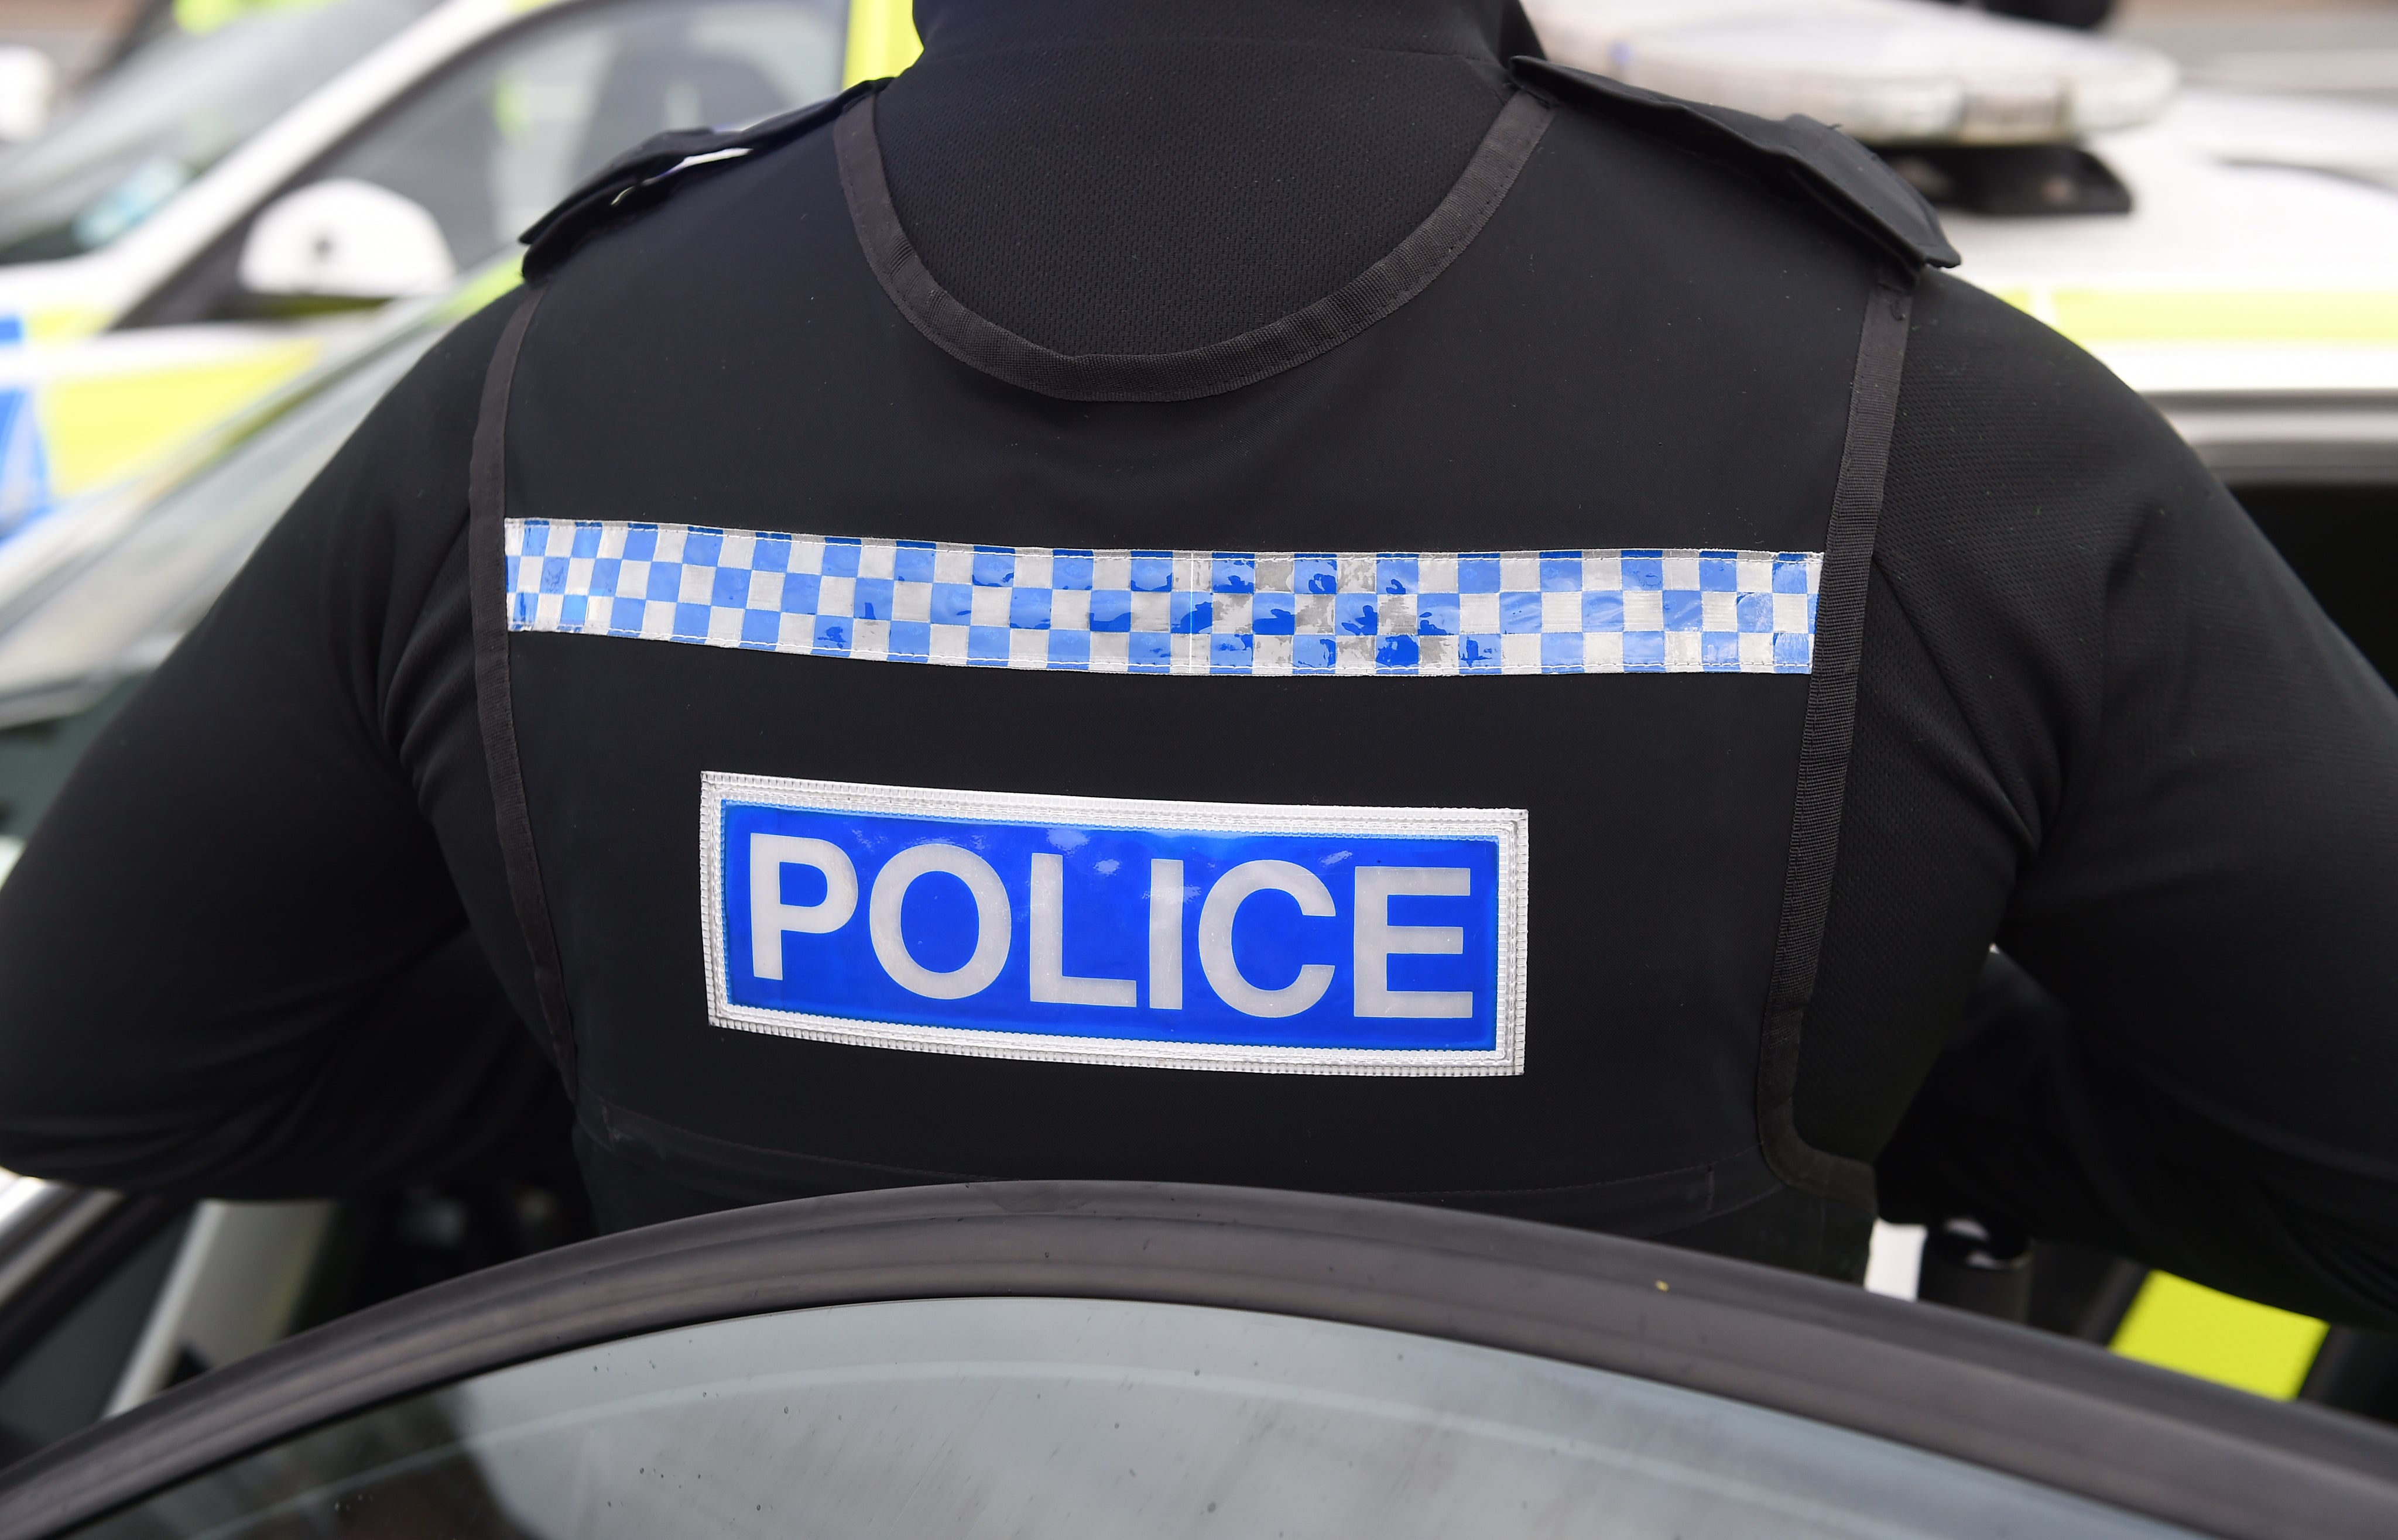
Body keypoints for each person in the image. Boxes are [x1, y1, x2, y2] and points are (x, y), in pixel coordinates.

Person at [0, 0, 2392, 1319]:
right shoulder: (1920, 418)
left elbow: (98, 1065)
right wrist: (1827, 1070)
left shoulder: (542, 388)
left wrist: (692, 1057)